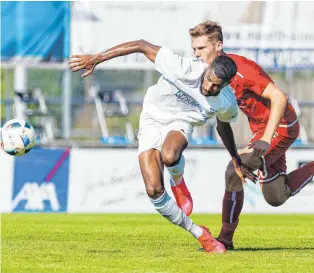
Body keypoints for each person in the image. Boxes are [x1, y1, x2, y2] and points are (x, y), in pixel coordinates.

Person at [169, 20, 314, 250]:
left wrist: (265, 138)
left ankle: (225, 240)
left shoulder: (241, 69)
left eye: (201, 49)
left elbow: (280, 98)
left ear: (218, 46)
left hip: (281, 125)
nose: (196, 54)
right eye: (194, 49)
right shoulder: (211, 74)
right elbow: (222, 121)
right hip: (262, 130)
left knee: (233, 173)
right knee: (276, 197)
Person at [68, 39, 251, 253]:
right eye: (209, 79)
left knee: (170, 156)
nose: (209, 87)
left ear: (227, 84)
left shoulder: (227, 102)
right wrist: (96, 58)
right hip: (152, 119)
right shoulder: (182, 67)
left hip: (180, 123)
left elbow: (223, 126)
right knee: (153, 190)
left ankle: (177, 179)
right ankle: (200, 233)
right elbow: (141, 45)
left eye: (217, 86)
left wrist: (236, 159)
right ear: (207, 68)